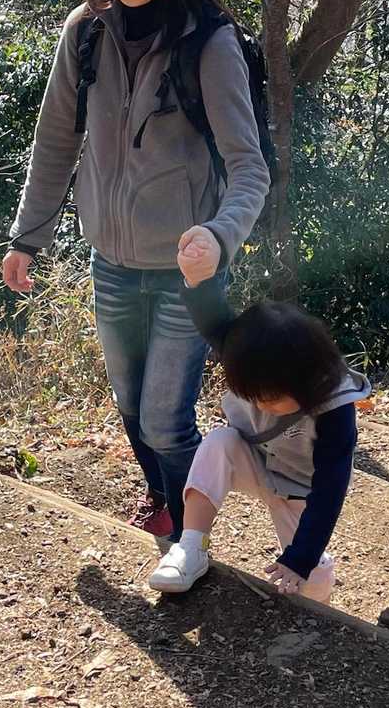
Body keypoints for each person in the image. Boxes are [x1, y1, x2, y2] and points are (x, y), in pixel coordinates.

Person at [2, 0, 269, 540]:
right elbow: (55, 142)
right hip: (111, 262)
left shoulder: (210, 43)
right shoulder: (86, 33)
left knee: (164, 421)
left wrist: (219, 235)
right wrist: (27, 237)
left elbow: (249, 169)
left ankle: (190, 533)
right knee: (129, 404)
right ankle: (164, 497)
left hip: (187, 272)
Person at [147, 228, 370, 601]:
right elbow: (213, 320)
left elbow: (331, 487)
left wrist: (299, 558)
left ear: (306, 380)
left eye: (271, 399)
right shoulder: (249, 356)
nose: (261, 406)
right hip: (255, 459)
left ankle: (319, 608)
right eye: (254, 398)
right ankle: (190, 546)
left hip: (301, 489)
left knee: (309, 577)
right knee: (219, 443)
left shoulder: (335, 408)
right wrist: (196, 278)